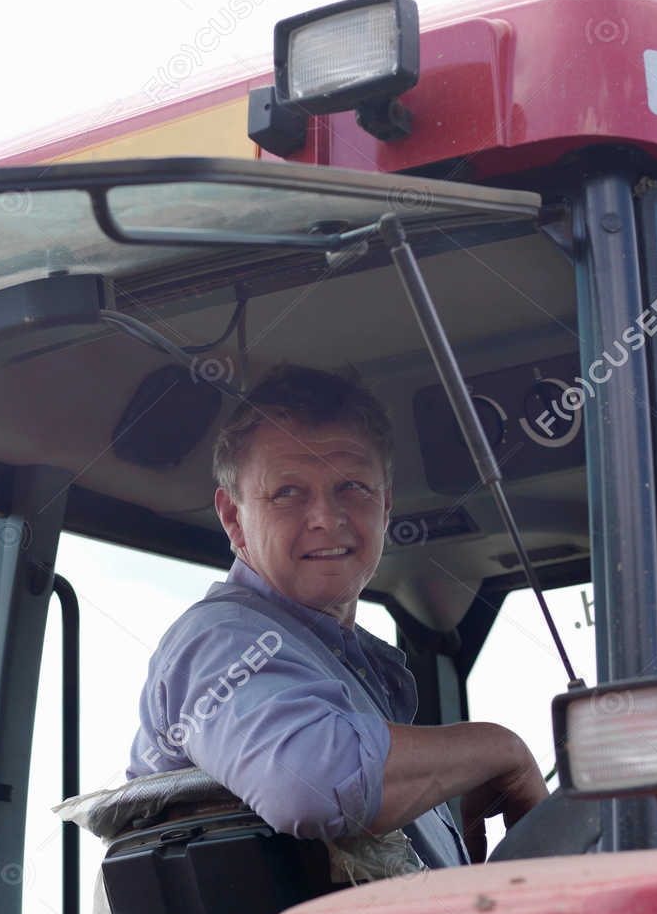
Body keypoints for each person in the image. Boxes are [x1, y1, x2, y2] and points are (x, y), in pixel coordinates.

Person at [127, 364, 547, 867]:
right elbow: (309, 782)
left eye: (352, 487)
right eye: (287, 492)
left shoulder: (338, 665)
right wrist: (500, 750)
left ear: (386, 508)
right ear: (234, 519)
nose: (327, 517)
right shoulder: (222, 638)